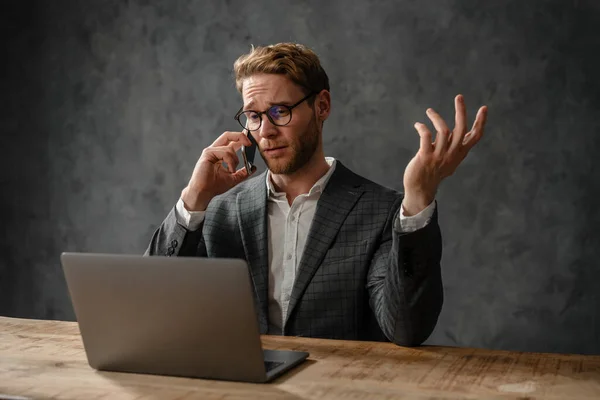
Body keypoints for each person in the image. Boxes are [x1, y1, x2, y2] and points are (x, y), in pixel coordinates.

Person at [145, 42, 488, 346]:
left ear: (321, 106)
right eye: (253, 116)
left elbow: (405, 328)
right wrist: (193, 199)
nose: (265, 131)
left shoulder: (381, 211)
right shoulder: (218, 211)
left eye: (280, 111)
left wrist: (417, 199)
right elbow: (151, 306)